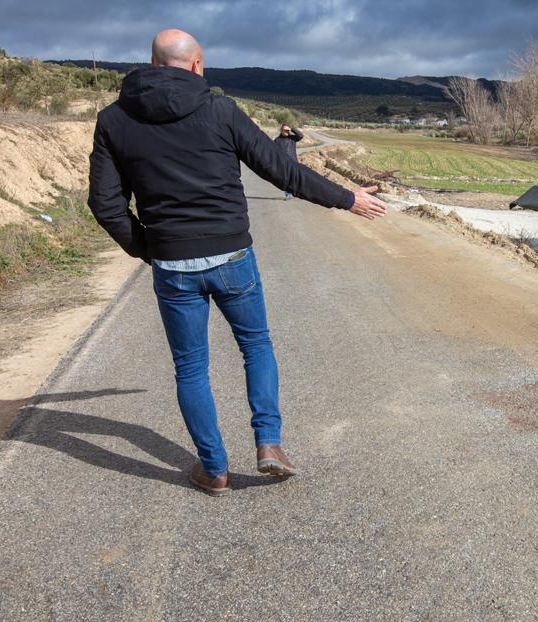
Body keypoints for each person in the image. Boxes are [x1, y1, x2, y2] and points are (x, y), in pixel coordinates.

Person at [87, 28, 387, 496]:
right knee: (256, 345)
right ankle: (269, 443)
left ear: (150, 62)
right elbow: (279, 166)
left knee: (190, 367)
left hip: (172, 265)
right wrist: (346, 198)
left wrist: (151, 248)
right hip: (232, 257)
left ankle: (214, 470)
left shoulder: (113, 119)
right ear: (197, 65)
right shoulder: (219, 109)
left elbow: (105, 204)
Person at [275, 124, 304, 200]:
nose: (286, 132)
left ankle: (297, 192)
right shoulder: (277, 140)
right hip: (283, 164)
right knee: (285, 179)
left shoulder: (293, 138)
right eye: (285, 130)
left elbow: (301, 136)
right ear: (281, 130)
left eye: (288, 130)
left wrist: (292, 129)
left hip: (293, 162)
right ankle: (288, 194)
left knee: (295, 178)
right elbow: (274, 152)